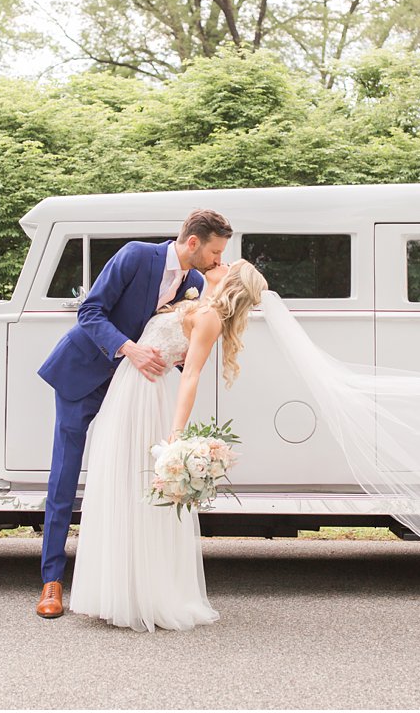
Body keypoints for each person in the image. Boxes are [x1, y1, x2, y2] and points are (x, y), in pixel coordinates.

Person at [33, 209, 232, 618]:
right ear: (193, 243)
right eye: (214, 252)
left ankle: (121, 579)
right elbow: (90, 312)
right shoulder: (136, 255)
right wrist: (130, 349)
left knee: (125, 478)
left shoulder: (196, 283)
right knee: (65, 476)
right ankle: (51, 582)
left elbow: (175, 340)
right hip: (84, 374)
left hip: (138, 391)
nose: (217, 261)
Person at [68, 257, 268, 631]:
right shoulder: (199, 303)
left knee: (136, 489)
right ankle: (120, 590)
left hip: (147, 396)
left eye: (228, 264)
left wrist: (176, 436)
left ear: (231, 282)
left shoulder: (210, 318)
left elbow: (190, 374)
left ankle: (145, 595)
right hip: (129, 389)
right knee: (120, 485)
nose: (219, 262)